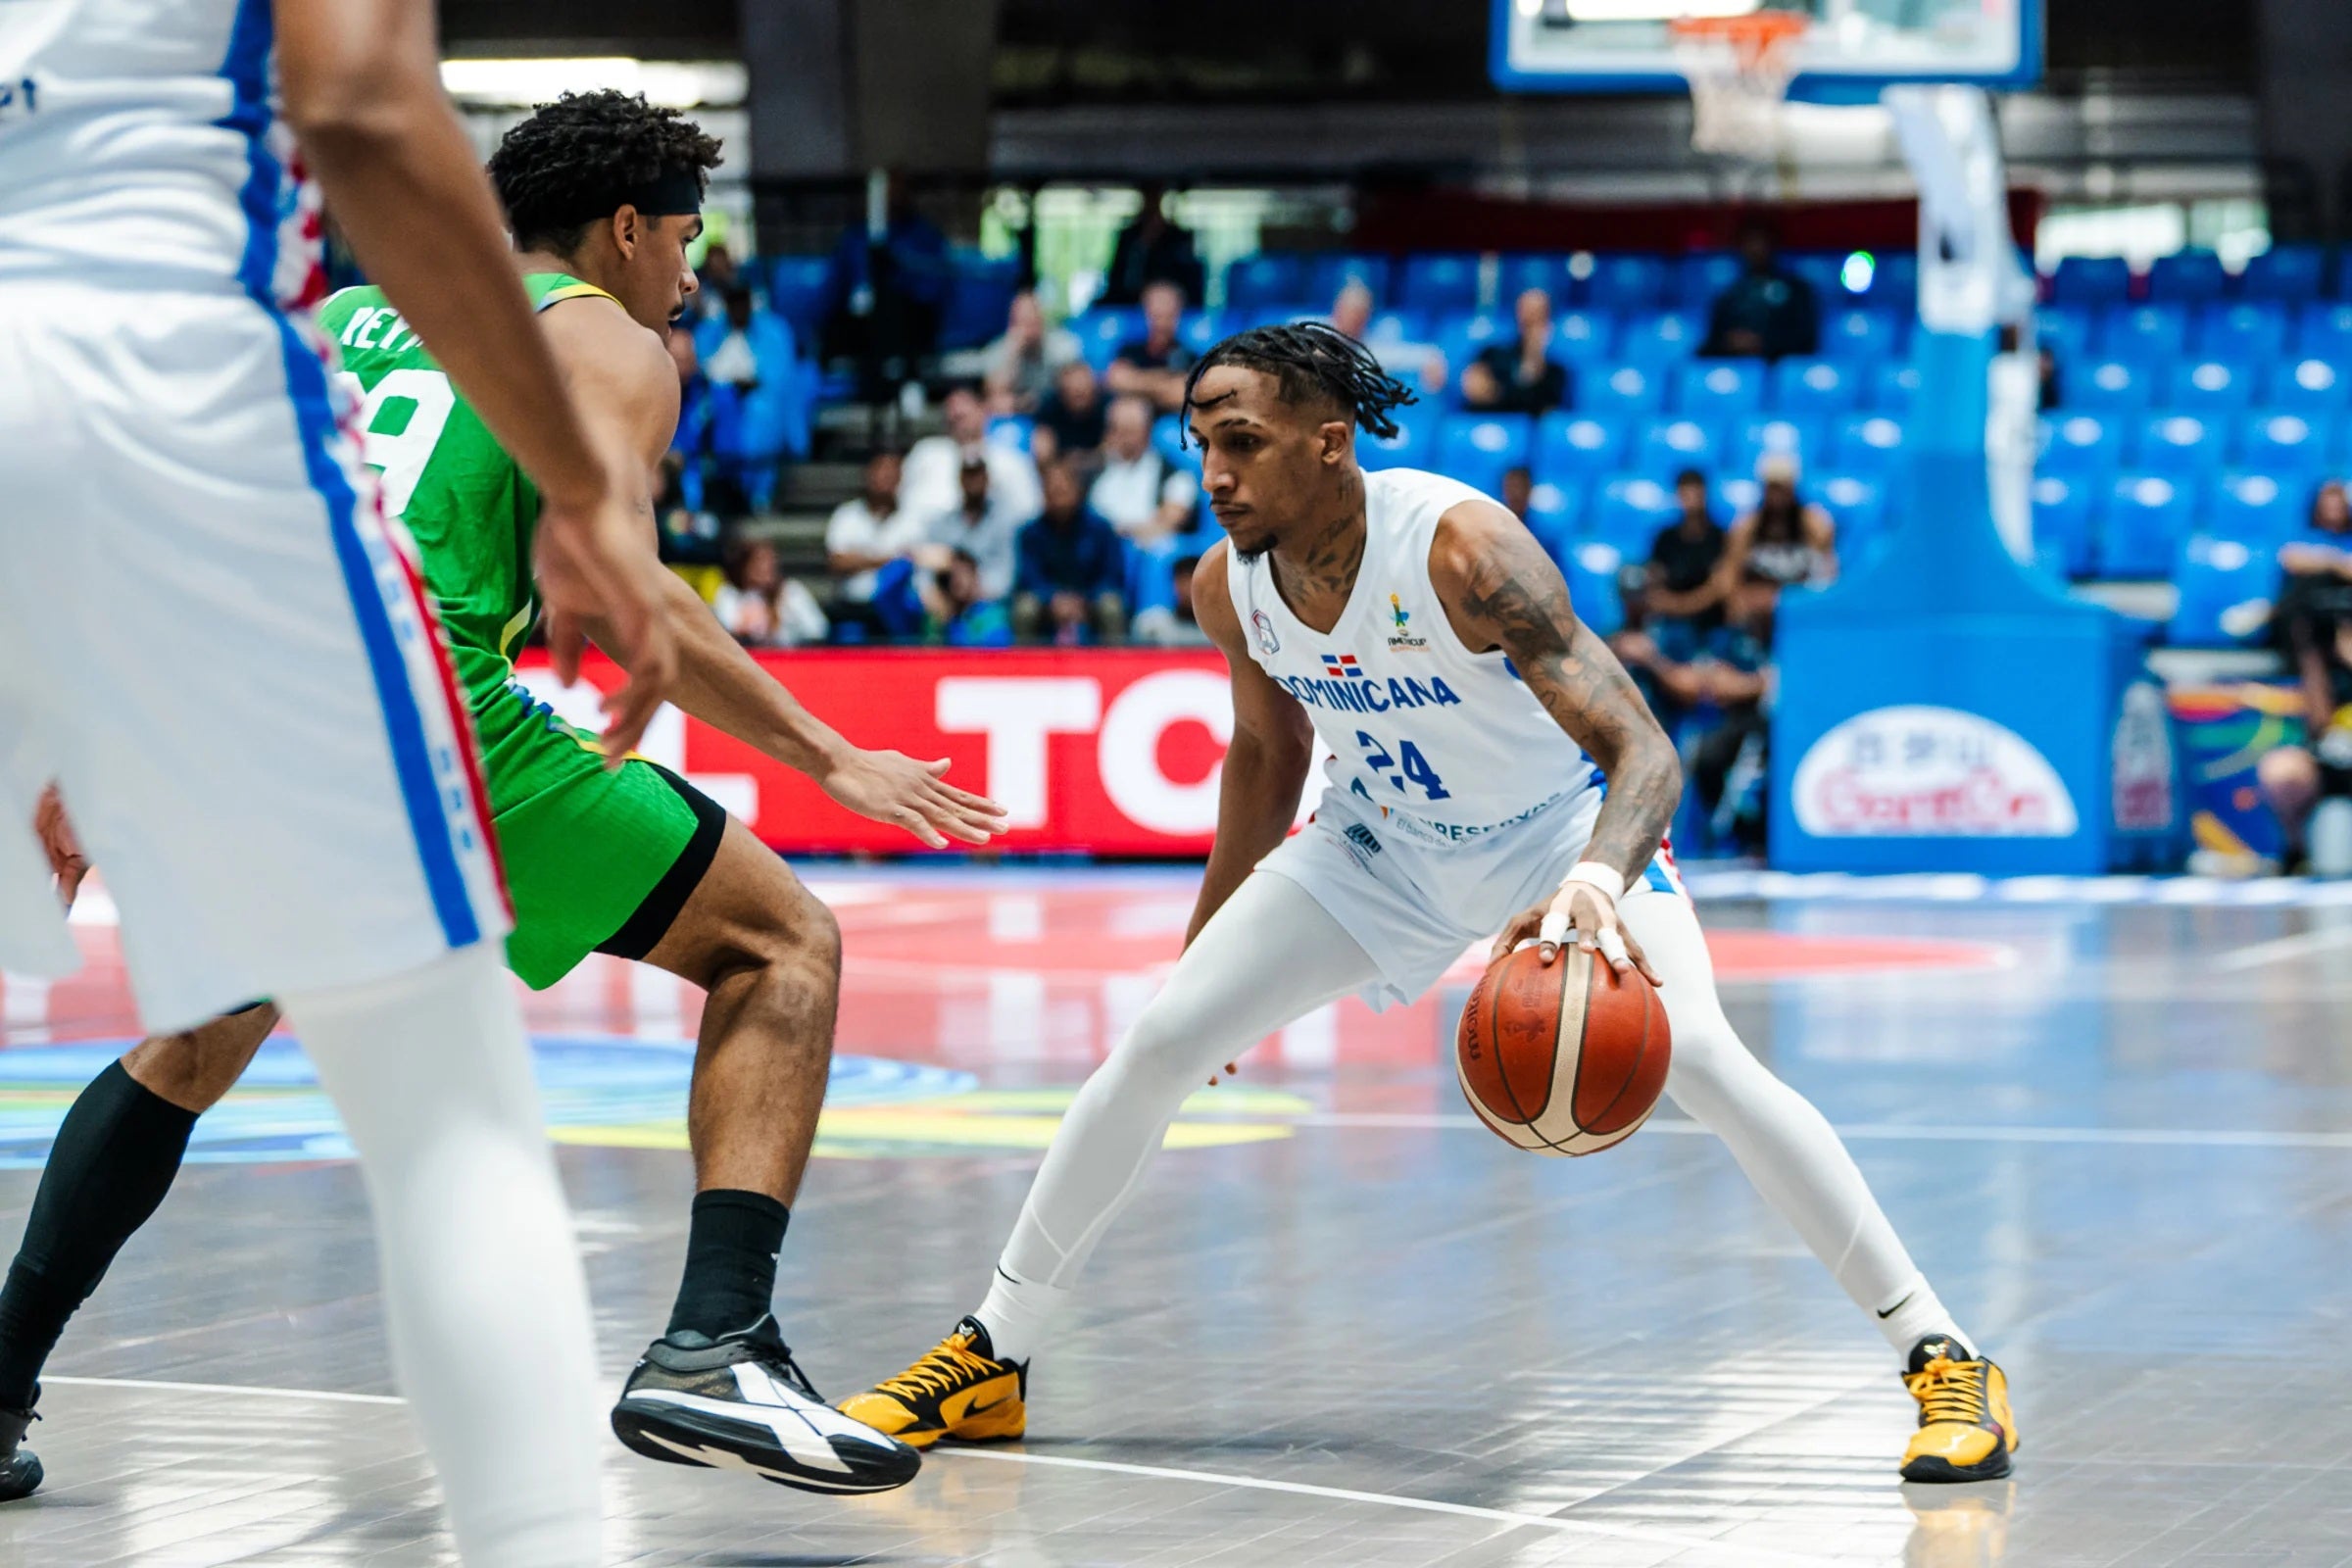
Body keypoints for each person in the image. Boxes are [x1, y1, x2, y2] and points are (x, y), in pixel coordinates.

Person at [0, 90, 1015, 1510]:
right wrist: (828, 754)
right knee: (778, 944)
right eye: (683, 237)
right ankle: (716, 1343)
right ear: (621, 228)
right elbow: (613, 566)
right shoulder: (608, 337)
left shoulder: (352, 315)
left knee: (191, 1049)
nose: (690, 269)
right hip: (419, 720)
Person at [839, 323, 2016, 1488]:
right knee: (1154, 1045)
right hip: (1377, 848)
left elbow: (1643, 750)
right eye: (1202, 444)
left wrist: (1593, 881)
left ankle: (1941, 1353)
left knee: (1703, 1058)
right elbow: (1264, 751)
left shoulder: (1464, 551)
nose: (1214, 474)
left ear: (1331, 443)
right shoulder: (1226, 583)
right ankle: (996, 1351)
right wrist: (1205, 960)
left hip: (1554, 843)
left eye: (1242, 442)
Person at [0, 2, 685, 1560]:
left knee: (200, 1037)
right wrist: (582, 488)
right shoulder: (595, 331)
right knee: (446, 1098)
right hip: (167, 399)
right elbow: (367, 106)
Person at [1616, 570, 1779, 856]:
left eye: (1642, 593)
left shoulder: (1673, 637)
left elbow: (1695, 685)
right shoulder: (1608, 638)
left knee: (1710, 754)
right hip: (1615, 726)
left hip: (1666, 725)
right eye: (1630, 595)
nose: (1636, 602)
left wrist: (1652, 660)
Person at [2260, 481, 2352, 868]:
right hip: (2331, 755)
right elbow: (2319, 726)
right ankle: (2295, 849)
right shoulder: (2317, 658)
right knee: (2281, 771)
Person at [1013, 461, 1129, 645]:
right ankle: (1026, 669)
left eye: (1063, 489)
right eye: (1052, 490)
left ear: (1078, 490)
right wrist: (1053, 599)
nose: (1058, 495)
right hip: (1048, 604)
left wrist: (1083, 601)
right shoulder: (1030, 533)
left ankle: (1116, 668)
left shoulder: (1101, 529)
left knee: (1111, 606)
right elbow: (1028, 577)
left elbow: (1112, 575)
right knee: (1024, 609)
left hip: (1091, 601)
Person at [902, 383, 1043, 522]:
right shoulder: (925, 452)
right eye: (951, 410)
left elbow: (1029, 512)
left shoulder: (1011, 460)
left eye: (963, 412)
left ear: (984, 410)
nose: (955, 413)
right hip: (921, 540)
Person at [1715, 453, 1838, 603]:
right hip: (1756, 605)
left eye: (1782, 488)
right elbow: (1729, 574)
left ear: (1793, 488)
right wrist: (1740, 601)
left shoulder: (1815, 525)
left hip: (1801, 603)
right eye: (1772, 488)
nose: (1777, 496)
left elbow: (1827, 575)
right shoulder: (1746, 526)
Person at [1642, 468, 1731, 658]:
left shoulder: (1720, 539)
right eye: (1685, 493)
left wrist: (1681, 606)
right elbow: (1654, 581)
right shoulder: (1665, 539)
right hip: (1673, 624)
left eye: (1695, 492)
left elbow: (1720, 587)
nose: (1690, 499)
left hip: (1713, 622)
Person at [1702, 218, 1820, 360]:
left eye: (1761, 242)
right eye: (1749, 242)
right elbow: (1712, 342)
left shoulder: (1796, 291)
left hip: (1778, 368)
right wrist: (1730, 343)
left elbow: (1806, 340)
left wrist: (1763, 343)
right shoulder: (1730, 295)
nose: (1755, 249)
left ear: (1773, 245)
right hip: (1736, 368)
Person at [1091, 394, 1197, 550]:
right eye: (1117, 429)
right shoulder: (1094, 471)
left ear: (1147, 431)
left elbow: (1170, 521)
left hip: (1145, 552)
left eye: (1130, 430)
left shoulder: (1174, 476)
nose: (1123, 438)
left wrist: (1125, 533)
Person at [826, 450, 925, 612]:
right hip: (853, 607)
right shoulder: (847, 515)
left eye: (891, 473)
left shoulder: (912, 520)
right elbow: (837, 562)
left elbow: (917, 561)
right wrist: (886, 559)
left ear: (900, 478)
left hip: (898, 611)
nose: (885, 478)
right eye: (880, 471)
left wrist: (859, 559)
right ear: (868, 475)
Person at [920, 457, 1024, 608]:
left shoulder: (1004, 523)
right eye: (968, 475)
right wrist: (933, 592)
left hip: (989, 603)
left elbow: (1006, 574)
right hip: (946, 605)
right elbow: (926, 569)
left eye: (977, 475)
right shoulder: (941, 525)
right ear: (960, 479)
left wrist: (974, 588)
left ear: (988, 479)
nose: (973, 482)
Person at [1460, 288, 1570, 415]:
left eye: (1538, 314)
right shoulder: (1491, 354)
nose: (1530, 319)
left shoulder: (1556, 372)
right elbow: (1476, 393)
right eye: (1526, 312)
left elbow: (1541, 411)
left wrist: (1533, 361)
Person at [1098, 183, 1205, 307]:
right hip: (1129, 305)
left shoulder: (1178, 238)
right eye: (1148, 197)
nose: (1152, 204)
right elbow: (1118, 278)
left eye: (1156, 197)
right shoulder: (1129, 237)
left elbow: (1190, 281)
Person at [713, 536, 827, 648]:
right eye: (759, 562)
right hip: (746, 656)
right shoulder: (729, 594)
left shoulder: (791, 592)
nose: (766, 568)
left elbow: (818, 629)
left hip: (789, 656)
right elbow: (728, 631)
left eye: (770, 562)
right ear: (745, 565)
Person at [985, 290, 1083, 415]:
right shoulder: (998, 350)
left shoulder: (1063, 344)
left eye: (1033, 322)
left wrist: (1040, 401)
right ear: (1012, 325)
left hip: (1057, 412)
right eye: (1022, 323)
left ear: (1042, 321)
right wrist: (1013, 355)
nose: (1029, 330)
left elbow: (1075, 386)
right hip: (1018, 413)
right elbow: (994, 394)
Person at [1105, 280, 1197, 415]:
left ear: (1178, 316)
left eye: (1168, 316)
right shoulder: (1129, 350)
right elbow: (1116, 380)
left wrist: (1136, 382)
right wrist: (1166, 382)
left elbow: (1184, 395)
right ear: (1146, 314)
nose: (1162, 324)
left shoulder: (1189, 356)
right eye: (1157, 315)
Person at [1035, 359, 1109, 467]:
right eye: (1073, 393)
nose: (1078, 397)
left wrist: (1083, 459)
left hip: (1100, 466)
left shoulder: (1107, 406)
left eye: (1082, 392)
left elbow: (1112, 449)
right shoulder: (1049, 407)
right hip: (1061, 468)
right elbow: (1043, 450)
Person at [1132, 554, 1213, 648]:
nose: (1188, 588)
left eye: (1193, 580)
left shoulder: (1219, 631)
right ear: (1174, 583)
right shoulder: (1152, 626)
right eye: (1183, 581)